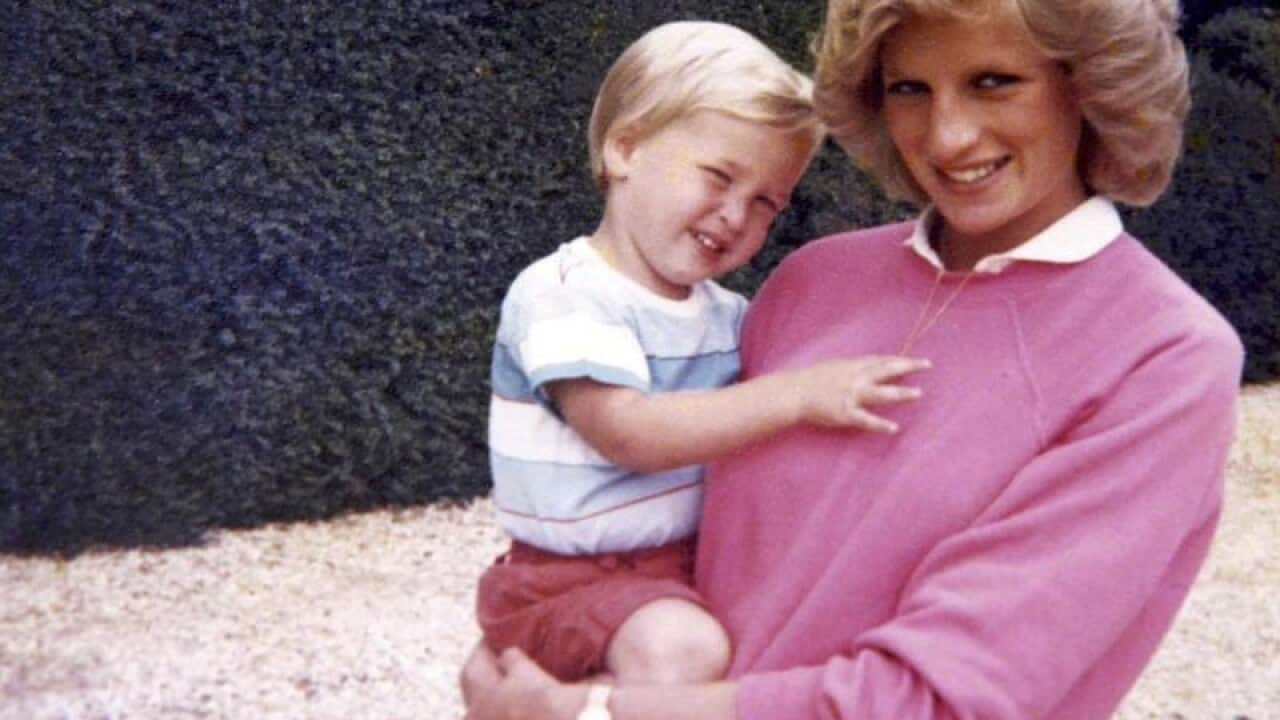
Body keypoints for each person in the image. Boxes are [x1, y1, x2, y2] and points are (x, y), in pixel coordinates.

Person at [461, 0, 1245, 718]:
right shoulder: (814, 282)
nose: (947, 137)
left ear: (1089, 85)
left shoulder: (1164, 356)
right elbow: (661, 528)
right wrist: (546, 638)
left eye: (993, 82)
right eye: (909, 89)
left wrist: (589, 713)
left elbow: (941, 701)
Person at [476, 20, 930, 689]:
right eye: (719, 175)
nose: (735, 214)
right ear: (625, 147)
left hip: (683, 568)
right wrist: (799, 395)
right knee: (684, 651)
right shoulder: (565, 295)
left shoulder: (727, 317)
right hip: (563, 581)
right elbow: (628, 432)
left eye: (766, 203)